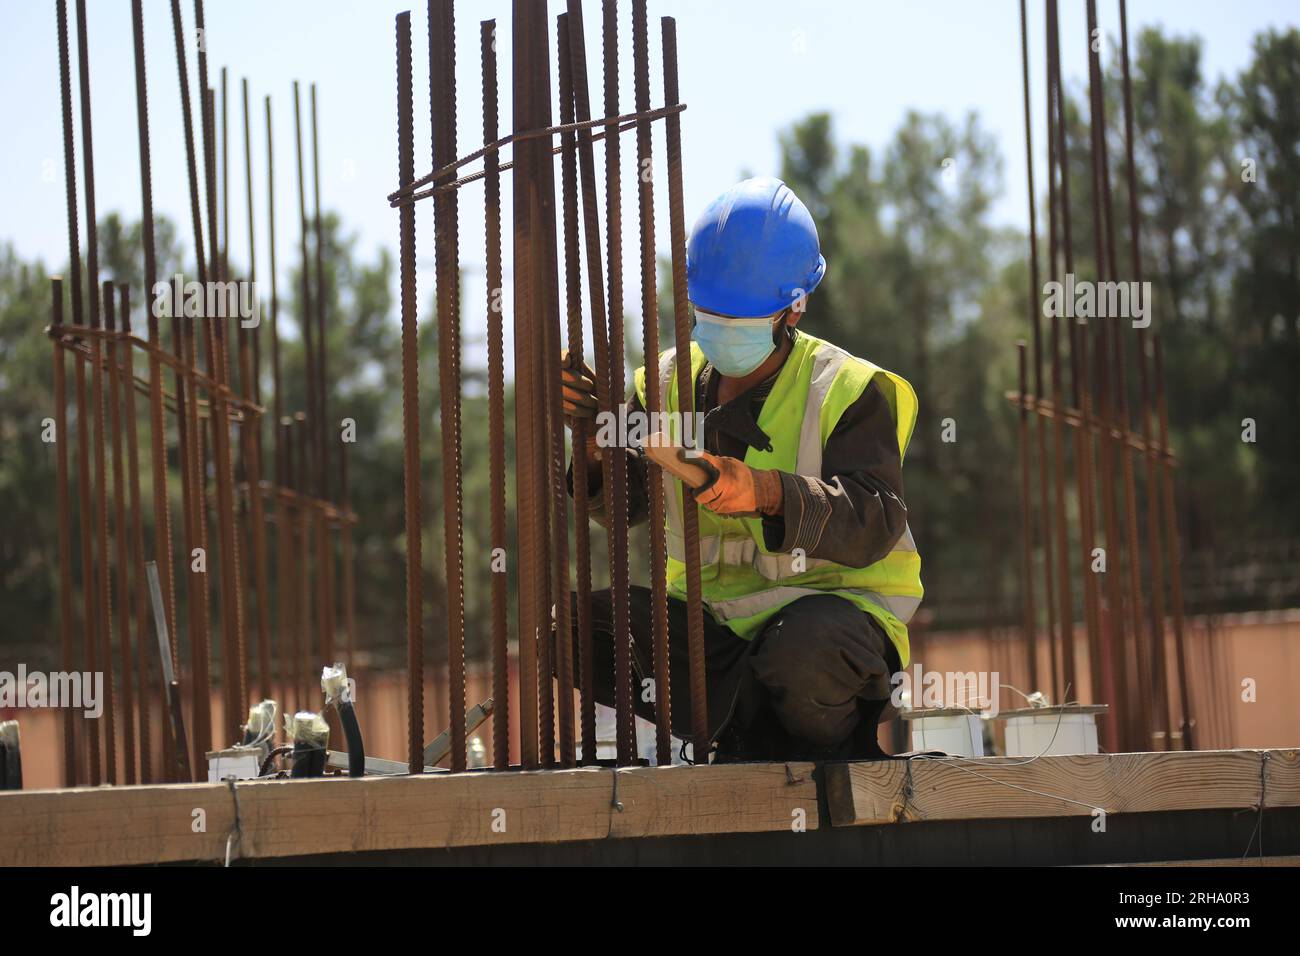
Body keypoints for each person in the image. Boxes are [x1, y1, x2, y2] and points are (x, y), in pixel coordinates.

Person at [560, 176, 922, 762]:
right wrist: (596, 446)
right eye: (712, 312)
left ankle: (819, 745)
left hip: (828, 624)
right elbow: (626, 508)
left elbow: (873, 518)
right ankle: (738, 737)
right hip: (712, 632)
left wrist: (763, 493)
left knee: (799, 656)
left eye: (743, 316)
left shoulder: (849, 389)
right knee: (574, 628)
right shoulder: (666, 382)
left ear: (794, 308)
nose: (723, 327)